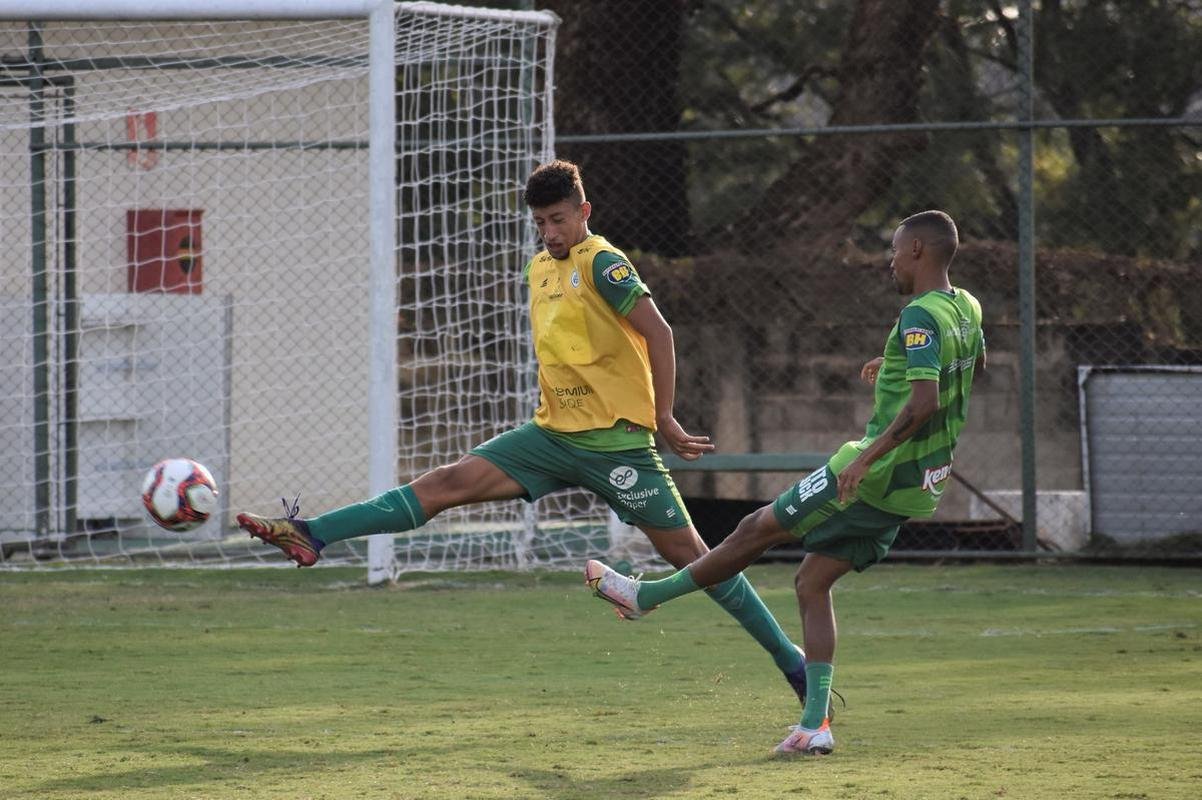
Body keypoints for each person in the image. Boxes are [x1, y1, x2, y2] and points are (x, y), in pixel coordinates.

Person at [238, 159, 817, 710]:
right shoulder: (538, 268)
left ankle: (791, 660)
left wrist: (664, 418)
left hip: (617, 446)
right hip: (548, 438)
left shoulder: (603, 263)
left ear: (583, 211)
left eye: (558, 220)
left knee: (697, 558)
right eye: (539, 223)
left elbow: (659, 335)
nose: (549, 232)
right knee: (444, 483)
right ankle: (312, 532)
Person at [585, 209, 986, 756]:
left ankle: (646, 595)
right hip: (919, 485)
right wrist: (894, 359)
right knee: (811, 583)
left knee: (753, 530)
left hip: (873, 476)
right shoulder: (965, 307)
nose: (889, 260)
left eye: (894, 250)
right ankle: (816, 725)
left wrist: (866, 458)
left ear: (917, 250)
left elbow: (924, 402)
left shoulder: (919, 315)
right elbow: (969, 367)